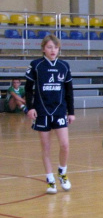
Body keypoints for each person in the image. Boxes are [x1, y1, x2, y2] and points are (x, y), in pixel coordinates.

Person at [24, 34, 74, 194]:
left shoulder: (64, 66)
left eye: (56, 47)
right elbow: (28, 89)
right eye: (49, 47)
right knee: (45, 146)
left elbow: (69, 91)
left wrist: (71, 112)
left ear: (59, 49)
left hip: (59, 110)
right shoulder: (36, 65)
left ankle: (62, 172)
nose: (53, 50)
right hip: (42, 111)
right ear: (43, 49)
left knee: (65, 145)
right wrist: (30, 107)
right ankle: (50, 179)